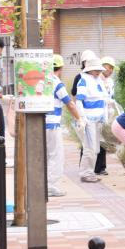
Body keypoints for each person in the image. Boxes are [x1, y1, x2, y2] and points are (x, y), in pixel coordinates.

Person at [46, 54, 84, 196]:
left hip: (40, 125)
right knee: (55, 156)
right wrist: (79, 119)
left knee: (45, 155)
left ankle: (43, 183)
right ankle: (50, 186)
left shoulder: (43, 80)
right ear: (60, 68)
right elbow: (70, 103)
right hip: (52, 125)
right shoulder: (57, 83)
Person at [74, 57, 108, 183]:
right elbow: (79, 101)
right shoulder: (83, 81)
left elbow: (104, 99)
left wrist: (105, 116)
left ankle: (89, 172)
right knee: (90, 147)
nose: (98, 72)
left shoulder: (97, 80)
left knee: (95, 148)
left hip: (98, 119)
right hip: (89, 120)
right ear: (90, 69)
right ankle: (86, 173)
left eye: (99, 69)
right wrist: (82, 118)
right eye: (96, 70)